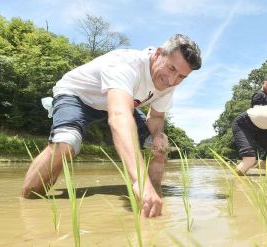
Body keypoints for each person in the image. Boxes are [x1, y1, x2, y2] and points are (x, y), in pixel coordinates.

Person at [21, 34, 202, 218]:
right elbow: (119, 116)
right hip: (78, 96)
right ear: (158, 54)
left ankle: (153, 200)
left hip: (117, 105)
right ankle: (26, 198)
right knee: (67, 143)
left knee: (159, 147)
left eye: (181, 77)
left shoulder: (169, 83)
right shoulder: (126, 63)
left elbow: (156, 116)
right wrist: (139, 180)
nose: (172, 81)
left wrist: (157, 134)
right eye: (171, 68)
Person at [251, 76, 267, 170]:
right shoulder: (259, 95)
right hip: (260, 132)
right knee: (263, 157)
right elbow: (256, 114)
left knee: (266, 155)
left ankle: (256, 176)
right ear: (263, 83)